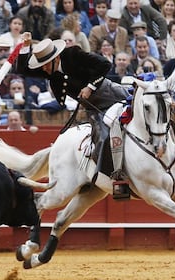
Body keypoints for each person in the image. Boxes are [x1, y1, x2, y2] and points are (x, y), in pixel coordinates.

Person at [16, 32, 129, 186]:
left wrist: (90, 86)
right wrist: (25, 46)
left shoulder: (73, 54)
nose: (44, 70)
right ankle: (114, 178)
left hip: (110, 95)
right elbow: (23, 69)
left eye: (47, 64)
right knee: (101, 139)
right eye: (42, 66)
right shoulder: (48, 69)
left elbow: (105, 64)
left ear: (56, 58)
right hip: (93, 108)